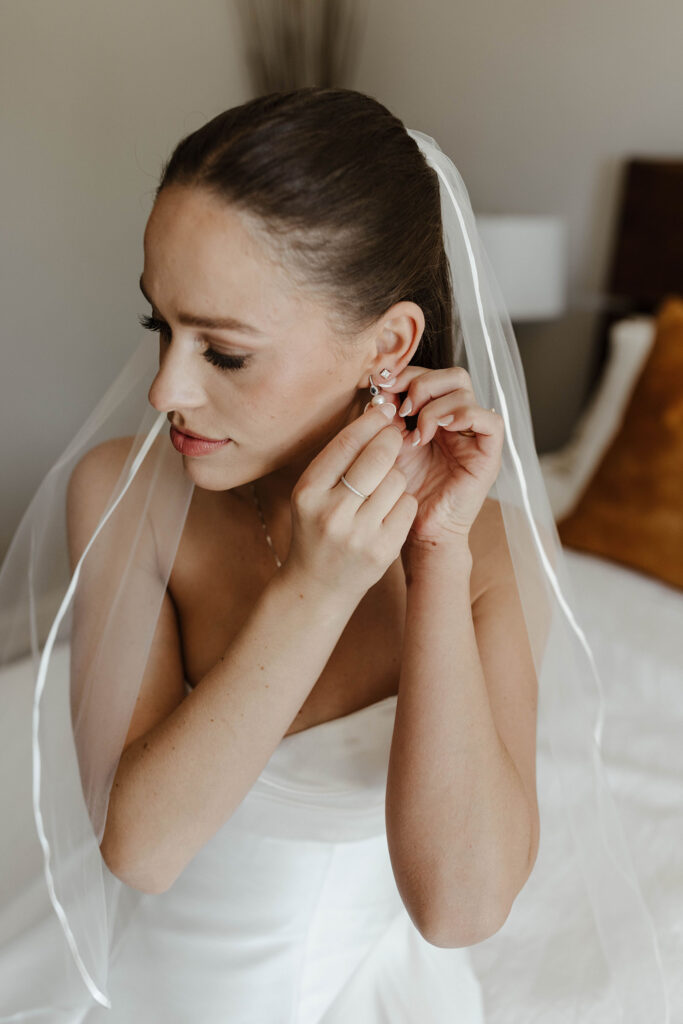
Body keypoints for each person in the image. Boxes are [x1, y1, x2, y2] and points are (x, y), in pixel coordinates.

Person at [0, 87, 668, 1023]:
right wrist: (314, 588)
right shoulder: (123, 492)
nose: (164, 390)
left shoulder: (495, 552)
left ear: (388, 344)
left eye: (224, 353)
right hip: (150, 974)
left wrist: (436, 557)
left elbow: (460, 910)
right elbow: (140, 852)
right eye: (161, 327)